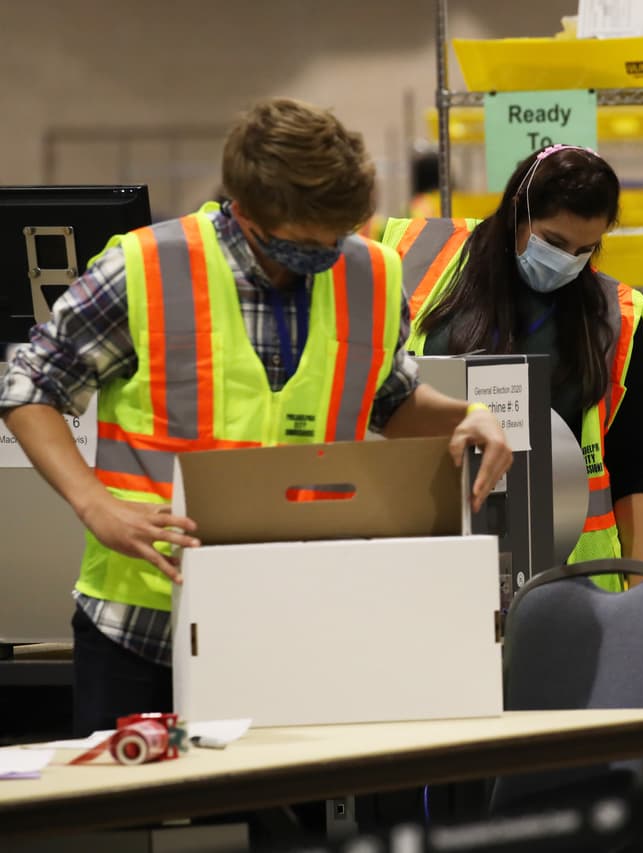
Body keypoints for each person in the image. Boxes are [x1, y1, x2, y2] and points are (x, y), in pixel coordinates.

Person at [0, 98, 512, 736]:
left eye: (340, 235)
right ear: (246, 212)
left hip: (300, 611)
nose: (328, 254)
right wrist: (94, 505)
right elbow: (30, 388)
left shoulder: (372, 274)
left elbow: (390, 401)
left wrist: (468, 416)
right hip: (146, 620)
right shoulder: (144, 267)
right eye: (308, 243)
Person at [380, 145, 643, 579]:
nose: (566, 262)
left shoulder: (614, 315)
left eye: (584, 250)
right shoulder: (415, 258)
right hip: (426, 546)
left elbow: (638, 468)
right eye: (553, 242)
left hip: (571, 568)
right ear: (519, 210)